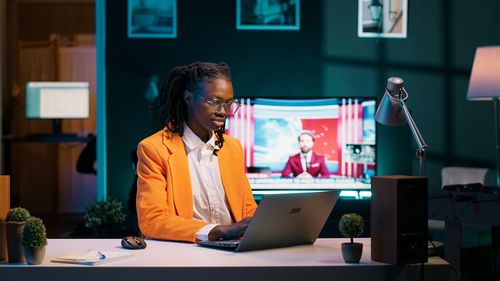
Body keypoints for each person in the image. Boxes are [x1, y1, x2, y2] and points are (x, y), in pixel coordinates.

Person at [136, 62, 257, 243]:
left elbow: (247, 209)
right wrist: (221, 231)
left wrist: (266, 222)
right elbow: (152, 220)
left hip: (236, 253)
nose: (223, 112)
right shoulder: (154, 149)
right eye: (214, 102)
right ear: (188, 98)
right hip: (184, 254)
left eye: (228, 103)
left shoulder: (232, 148)